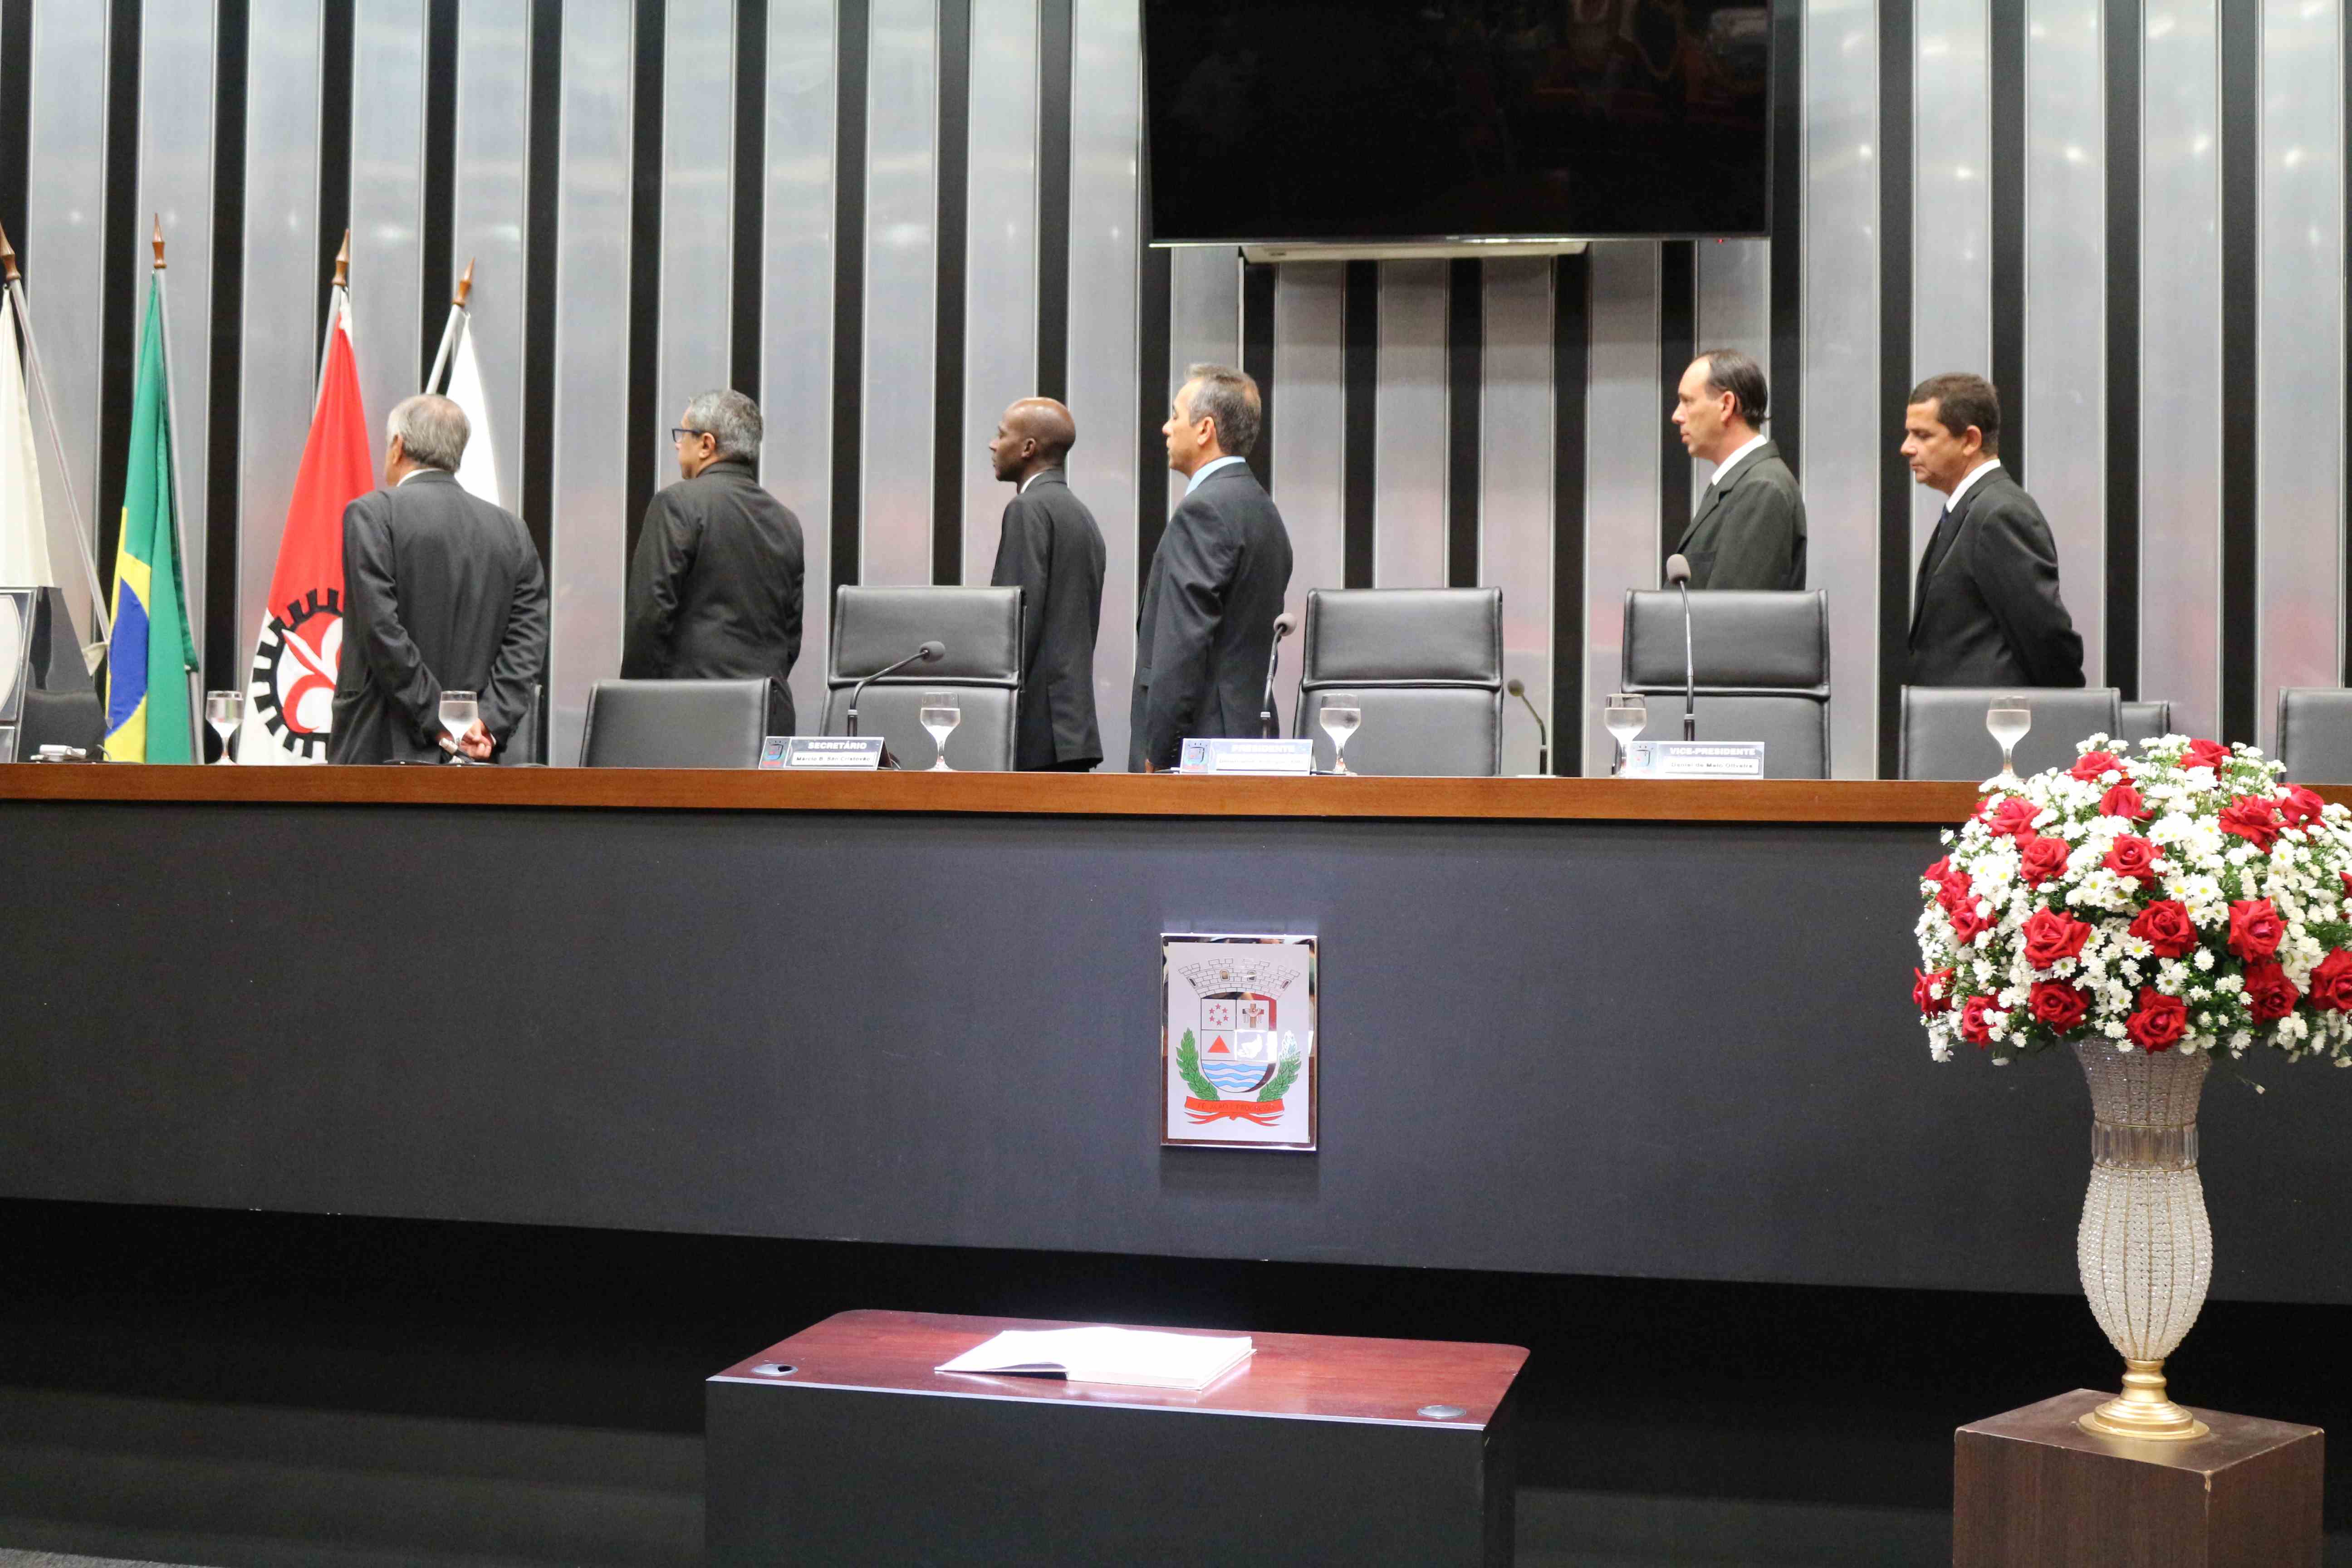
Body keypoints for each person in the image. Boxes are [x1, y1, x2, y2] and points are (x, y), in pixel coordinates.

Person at [329, 395, 548, 764]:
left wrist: (442, 720)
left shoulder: (372, 515)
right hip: (474, 754)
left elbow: (381, 631)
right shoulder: (512, 531)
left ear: (398, 447)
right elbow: (528, 640)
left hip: (379, 751)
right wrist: (487, 723)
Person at [1131, 363, 1293, 772]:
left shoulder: (1204, 510)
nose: (1166, 428)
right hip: (1248, 740)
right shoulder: (1263, 509)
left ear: (1205, 429)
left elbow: (1182, 646)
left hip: (1198, 754)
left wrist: (1161, 752)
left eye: (1175, 415)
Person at [622, 389, 804, 735]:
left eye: (683, 434)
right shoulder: (787, 521)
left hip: (691, 718)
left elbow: (649, 616)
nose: (678, 445)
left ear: (706, 444)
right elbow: (790, 637)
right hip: (768, 718)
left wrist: (633, 707)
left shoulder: (677, 504)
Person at [1902, 372, 2085, 687]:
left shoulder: (1999, 514)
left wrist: (2063, 711)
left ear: (1970, 441)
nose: (1907, 448)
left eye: (1923, 435)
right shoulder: (1975, 508)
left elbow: (2047, 641)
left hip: (1989, 718)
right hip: (1964, 714)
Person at [986, 397, 1106, 771]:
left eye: (1001, 435)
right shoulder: (1082, 515)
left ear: (1028, 448)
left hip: (1032, 733)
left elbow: (1014, 628)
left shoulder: (1027, 509)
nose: (993, 444)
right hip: (1071, 732)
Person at [1667, 348, 1805, 590]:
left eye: (1688, 401)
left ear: (1726, 405)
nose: (1677, 416)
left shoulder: (1762, 489)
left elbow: (1734, 610)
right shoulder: (1743, 483)